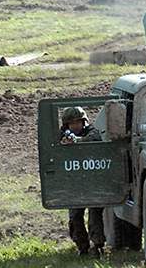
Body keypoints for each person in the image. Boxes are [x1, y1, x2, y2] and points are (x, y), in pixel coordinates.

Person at [60, 107, 105, 257]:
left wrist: (76, 141)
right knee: (75, 216)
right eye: (71, 123)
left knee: (95, 214)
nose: (75, 126)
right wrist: (64, 142)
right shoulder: (62, 134)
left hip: (93, 181)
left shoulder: (92, 132)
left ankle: (97, 245)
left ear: (83, 122)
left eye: (78, 122)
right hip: (74, 183)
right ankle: (82, 247)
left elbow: (93, 139)